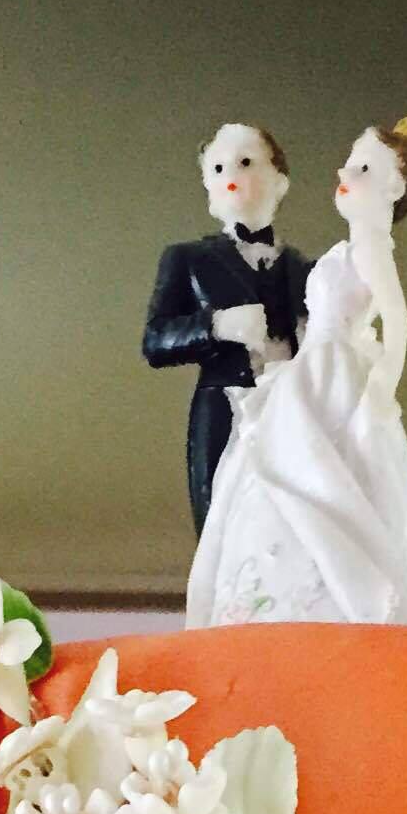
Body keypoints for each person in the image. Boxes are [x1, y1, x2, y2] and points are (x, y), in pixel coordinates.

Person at [185, 116, 407, 630]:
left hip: (334, 373)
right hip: (311, 370)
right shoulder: (343, 250)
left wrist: (382, 386)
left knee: (318, 474)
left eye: (363, 168)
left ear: (393, 188)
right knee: (280, 466)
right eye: (349, 163)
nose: (344, 172)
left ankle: (332, 603)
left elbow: (397, 319)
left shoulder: (371, 248)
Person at [141, 123, 313, 531]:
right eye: (217, 168)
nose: (230, 176)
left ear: (279, 181)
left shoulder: (302, 268)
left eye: (246, 163)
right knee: (223, 518)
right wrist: (216, 325)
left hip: (291, 409)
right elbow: (155, 339)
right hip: (227, 408)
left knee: (295, 518)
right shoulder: (189, 259)